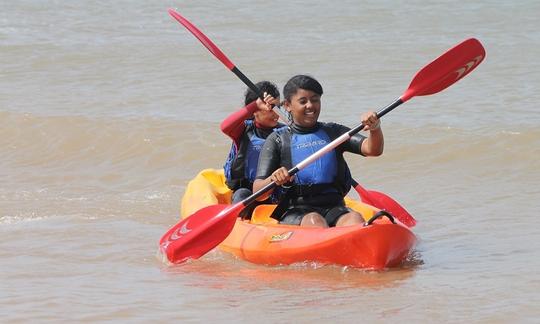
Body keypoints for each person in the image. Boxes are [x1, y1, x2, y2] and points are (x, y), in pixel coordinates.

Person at [252, 75, 384, 228]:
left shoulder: (333, 132)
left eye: (315, 100)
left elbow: (372, 149)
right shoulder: (277, 139)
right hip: (295, 210)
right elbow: (258, 192)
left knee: (355, 219)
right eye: (303, 101)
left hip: (334, 206)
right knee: (315, 221)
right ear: (287, 105)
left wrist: (375, 128)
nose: (310, 106)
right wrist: (273, 179)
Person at [221, 81, 285, 214]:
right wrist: (255, 105)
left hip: (275, 188)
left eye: (277, 107)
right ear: (255, 112)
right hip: (247, 190)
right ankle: (241, 221)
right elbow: (225, 126)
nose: (276, 114)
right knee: (241, 196)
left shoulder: (286, 131)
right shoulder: (243, 129)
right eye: (270, 108)